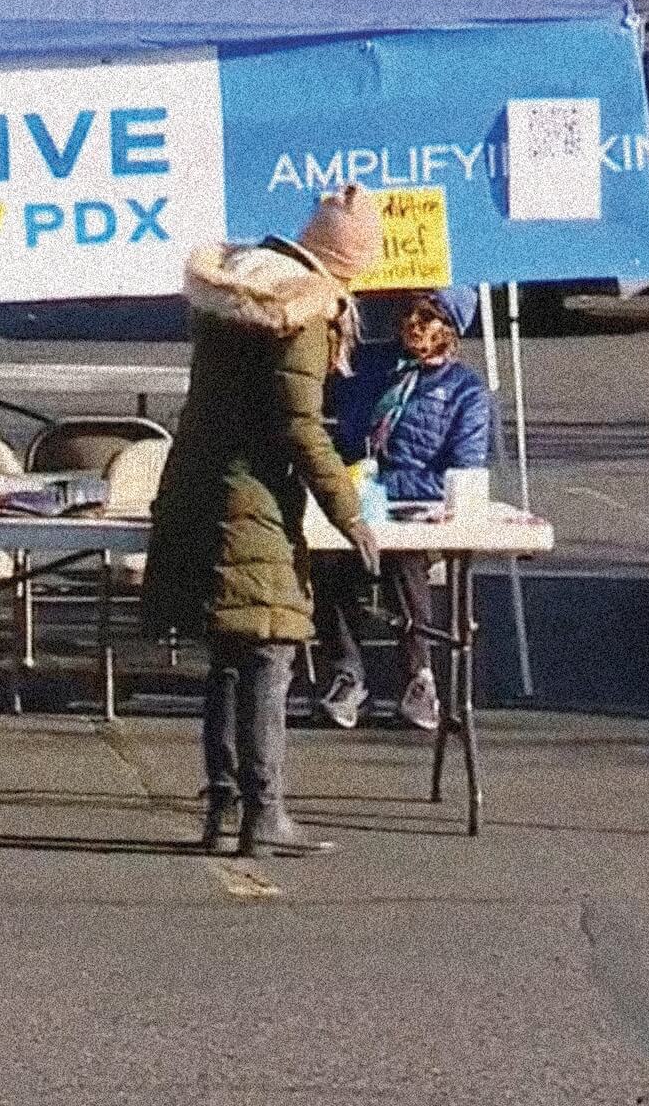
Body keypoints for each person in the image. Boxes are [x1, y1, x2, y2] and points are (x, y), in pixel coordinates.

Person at [145, 184, 383, 859]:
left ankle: (223, 808)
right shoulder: (298, 311)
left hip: (197, 483)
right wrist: (348, 512)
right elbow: (299, 426)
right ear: (346, 262)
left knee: (228, 655)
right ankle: (266, 811)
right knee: (269, 650)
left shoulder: (240, 285)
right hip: (249, 499)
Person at [314, 285, 490, 732]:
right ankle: (347, 673)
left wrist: (385, 484)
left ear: (449, 327)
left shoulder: (465, 392)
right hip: (354, 500)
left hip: (413, 507)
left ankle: (418, 677)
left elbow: (462, 473)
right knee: (325, 560)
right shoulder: (371, 366)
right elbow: (326, 411)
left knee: (403, 562)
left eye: (426, 316)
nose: (413, 324)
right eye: (409, 313)